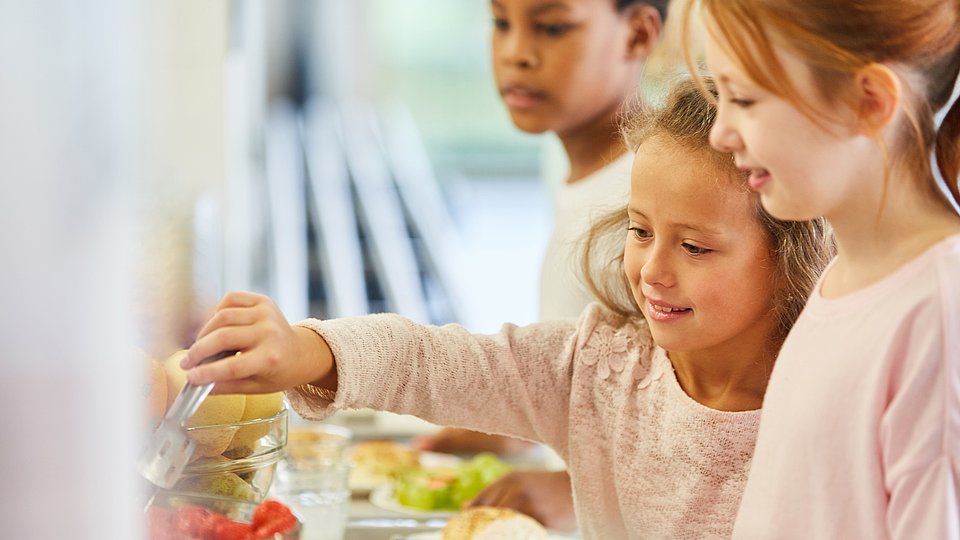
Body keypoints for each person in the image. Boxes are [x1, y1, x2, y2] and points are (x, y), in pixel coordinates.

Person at [181, 78, 832, 539]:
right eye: (638, 231)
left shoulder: (829, 403)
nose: (652, 270)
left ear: (791, 257)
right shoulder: (599, 366)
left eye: (693, 246)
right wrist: (305, 350)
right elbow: (434, 361)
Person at [682, 0, 960, 537]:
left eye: (743, 99)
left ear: (870, 101)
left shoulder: (938, 313)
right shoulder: (845, 278)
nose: (721, 133)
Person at [415, 0, 669, 529]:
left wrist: (575, 490)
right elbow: (610, 376)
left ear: (638, 34)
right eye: (500, 23)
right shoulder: (574, 163)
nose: (515, 54)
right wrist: (522, 419)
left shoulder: (654, 201)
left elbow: (707, 414)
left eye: (552, 27)